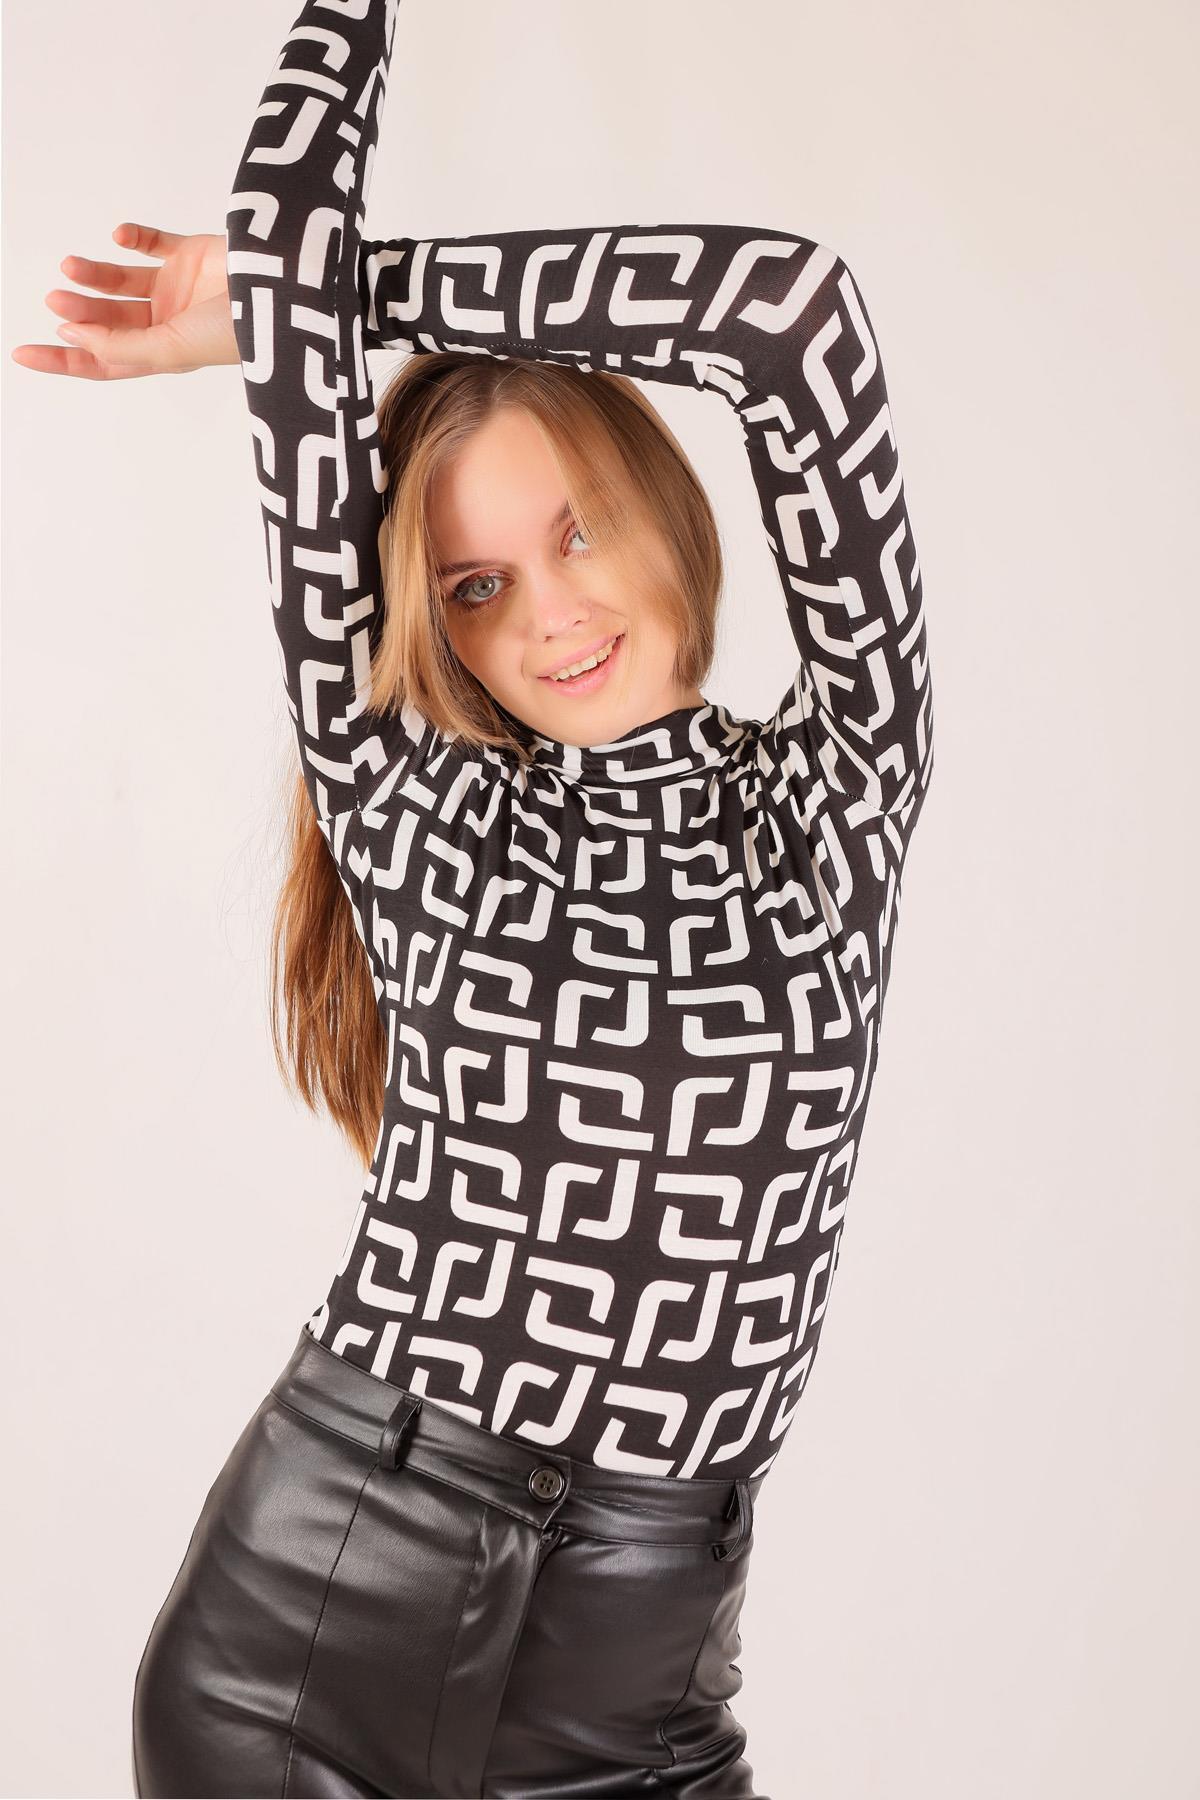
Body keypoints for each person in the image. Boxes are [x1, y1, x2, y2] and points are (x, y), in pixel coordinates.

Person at [13, 1, 933, 1793]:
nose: (549, 614)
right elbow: (289, 211)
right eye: (477, 586)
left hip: (637, 1699)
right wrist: (297, 257)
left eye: (574, 528)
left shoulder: (837, 797)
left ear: (662, 501)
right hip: (307, 1644)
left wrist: (354, 302)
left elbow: (787, 308)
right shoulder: (416, 799)